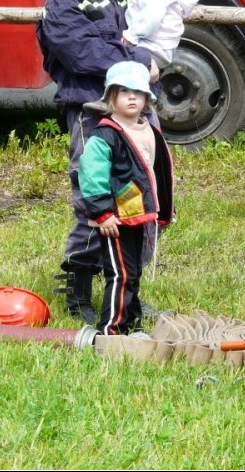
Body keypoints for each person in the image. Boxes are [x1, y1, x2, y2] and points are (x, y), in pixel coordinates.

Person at [35, 0, 158, 325]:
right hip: (91, 114)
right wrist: (138, 60)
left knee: (134, 199)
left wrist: (136, 51)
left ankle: (125, 290)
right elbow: (84, 55)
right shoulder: (60, 4)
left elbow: (139, 34)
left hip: (134, 115)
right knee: (93, 199)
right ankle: (76, 290)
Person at [77, 61, 174, 335]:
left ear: (147, 98)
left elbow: (156, 173)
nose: (132, 97)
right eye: (124, 91)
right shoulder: (105, 134)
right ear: (111, 97)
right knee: (120, 274)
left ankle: (131, 322)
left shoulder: (148, 130)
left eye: (138, 92)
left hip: (137, 216)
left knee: (133, 272)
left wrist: (161, 210)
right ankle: (112, 329)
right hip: (115, 219)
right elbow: (91, 175)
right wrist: (103, 213)